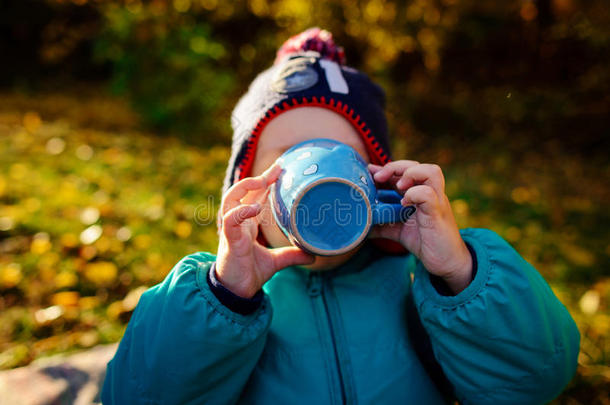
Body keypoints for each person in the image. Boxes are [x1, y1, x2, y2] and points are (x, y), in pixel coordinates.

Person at [101, 28, 580, 405]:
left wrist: (459, 270)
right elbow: (134, 396)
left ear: (376, 177)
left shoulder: (420, 287)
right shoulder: (215, 301)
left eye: (342, 154)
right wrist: (226, 295)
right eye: (286, 156)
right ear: (245, 189)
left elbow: (537, 381)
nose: (316, 178)